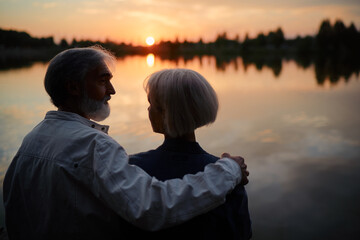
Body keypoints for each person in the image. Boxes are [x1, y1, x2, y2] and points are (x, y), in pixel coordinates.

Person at [2, 45, 249, 239]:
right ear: (73, 87)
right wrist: (229, 170)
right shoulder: (94, 146)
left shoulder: (32, 139)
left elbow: (13, 213)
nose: (112, 90)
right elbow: (153, 208)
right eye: (102, 80)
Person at [128, 69, 252, 239]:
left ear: (165, 113)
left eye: (150, 104)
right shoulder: (231, 175)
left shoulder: (132, 168)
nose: (148, 110)